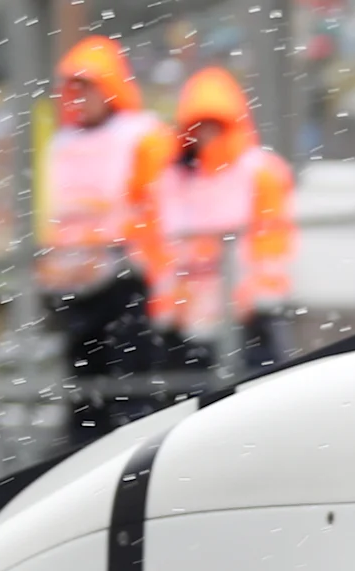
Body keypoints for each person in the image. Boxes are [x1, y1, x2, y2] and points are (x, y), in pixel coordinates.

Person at [125, 67, 295, 378]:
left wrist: (252, 294)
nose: (206, 136)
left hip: (248, 315)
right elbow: (150, 241)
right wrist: (168, 298)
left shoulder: (260, 172)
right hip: (185, 316)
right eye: (198, 126)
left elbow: (273, 241)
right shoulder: (170, 180)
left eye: (214, 126)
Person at [39, 36, 169, 431]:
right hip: (75, 286)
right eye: (73, 89)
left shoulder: (143, 135)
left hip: (128, 280)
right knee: (85, 395)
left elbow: (161, 205)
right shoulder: (62, 143)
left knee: (132, 388)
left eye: (87, 87)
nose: (79, 98)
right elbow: (52, 213)